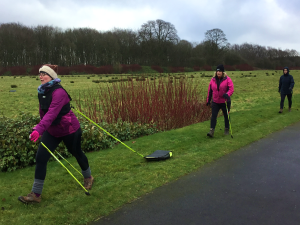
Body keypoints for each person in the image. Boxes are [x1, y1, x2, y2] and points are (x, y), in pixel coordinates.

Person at [18, 64, 94, 204]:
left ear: (51, 76)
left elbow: (52, 113)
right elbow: (44, 114)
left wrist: (40, 129)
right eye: (39, 73)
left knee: (77, 153)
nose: (40, 76)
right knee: (41, 158)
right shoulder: (42, 91)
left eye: (44, 73)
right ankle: (36, 194)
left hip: (69, 129)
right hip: (52, 131)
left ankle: (88, 177)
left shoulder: (59, 92)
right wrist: (38, 127)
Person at [206, 64, 234, 137]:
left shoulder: (228, 79)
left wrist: (227, 94)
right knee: (213, 116)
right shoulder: (213, 80)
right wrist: (208, 100)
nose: (218, 72)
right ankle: (211, 131)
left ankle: (227, 129)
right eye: (217, 71)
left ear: (223, 72)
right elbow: (210, 91)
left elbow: (231, 89)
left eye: (220, 71)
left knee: (226, 116)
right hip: (215, 101)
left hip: (225, 101)